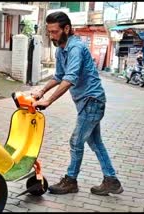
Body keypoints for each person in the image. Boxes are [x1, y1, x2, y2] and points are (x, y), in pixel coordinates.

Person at [31, 12, 124, 196]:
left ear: (67, 29)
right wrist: (42, 91)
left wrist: (48, 101)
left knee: (76, 141)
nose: (52, 36)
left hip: (92, 101)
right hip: (86, 102)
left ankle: (71, 181)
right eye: (49, 32)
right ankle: (111, 180)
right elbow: (59, 76)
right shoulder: (60, 50)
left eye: (55, 32)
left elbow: (70, 78)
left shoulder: (76, 48)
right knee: (96, 143)